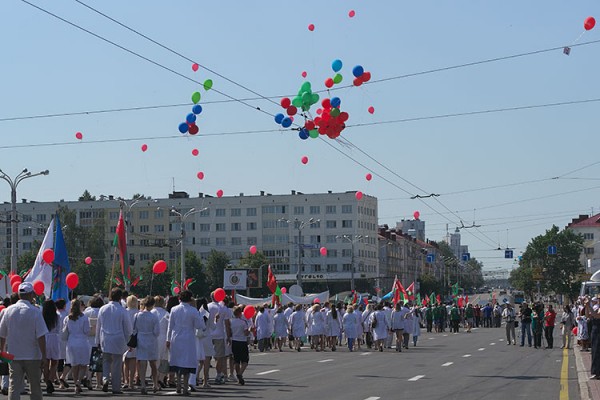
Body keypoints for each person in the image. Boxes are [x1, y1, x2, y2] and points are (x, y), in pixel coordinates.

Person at [0, 282, 49, 400]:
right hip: (32, 356)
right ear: (31, 294)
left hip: (13, 355)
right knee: (35, 387)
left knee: (14, 387)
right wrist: (44, 355)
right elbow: (41, 336)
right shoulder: (35, 312)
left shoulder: (8, 311)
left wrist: (2, 351)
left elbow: (2, 335)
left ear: (18, 294)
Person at [167, 290, 205, 395]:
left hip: (176, 337)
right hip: (188, 338)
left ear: (180, 298)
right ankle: (185, 387)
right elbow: (199, 326)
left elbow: (170, 326)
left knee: (177, 361)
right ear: (190, 299)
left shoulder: (174, 309)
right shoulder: (193, 311)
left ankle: (178, 384)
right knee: (187, 362)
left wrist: (168, 339)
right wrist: (201, 319)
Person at [96, 287, 133, 395]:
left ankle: (105, 378)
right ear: (120, 297)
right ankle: (116, 387)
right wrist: (129, 341)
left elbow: (99, 326)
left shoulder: (103, 309)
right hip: (118, 338)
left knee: (106, 360)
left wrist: (97, 341)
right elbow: (128, 328)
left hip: (105, 338)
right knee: (117, 363)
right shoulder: (122, 310)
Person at [62, 299, 91, 394]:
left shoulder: (67, 318)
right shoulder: (84, 318)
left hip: (71, 342)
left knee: (74, 365)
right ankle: (79, 381)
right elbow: (87, 331)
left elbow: (65, 331)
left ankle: (75, 384)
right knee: (83, 365)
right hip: (82, 342)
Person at [136, 296, 160, 394]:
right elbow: (157, 332)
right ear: (152, 305)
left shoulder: (137, 315)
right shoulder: (154, 316)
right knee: (153, 364)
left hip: (140, 339)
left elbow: (134, 329)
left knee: (142, 363)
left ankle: (143, 385)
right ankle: (155, 384)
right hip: (151, 340)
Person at [83, 295, 104, 390]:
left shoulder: (86, 312)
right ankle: (99, 383)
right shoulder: (101, 312)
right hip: (98, 340)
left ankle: (88, 378)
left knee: (88, 362)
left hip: (87, 340)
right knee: (98, 362)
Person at [227, 306, 250, 385]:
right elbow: (246, 333)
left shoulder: (231, 321)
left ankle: (239, 377)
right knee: (245, 361)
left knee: (236, 360)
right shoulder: (243, 322)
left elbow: (229, 331)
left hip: (234, 341)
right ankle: (240, 373)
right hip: (242, 342)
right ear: (240, 313)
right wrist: (250, 330)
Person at [42, 300, 60, 394]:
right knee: (54, 362)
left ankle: (46, 380)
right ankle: (50, 379)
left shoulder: (42, 316)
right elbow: (59, 329)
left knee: (46, 362)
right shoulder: (57, 316)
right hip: (54, 338)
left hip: (45, 338)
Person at [150, 296, 169, 389]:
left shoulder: (151, 313)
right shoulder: (166, 313)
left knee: (155, 361)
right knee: (164, 360)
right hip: (164, 338)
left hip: (153, 338)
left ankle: (156, 379)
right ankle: (160, 378)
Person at [123, 295, 139, 390]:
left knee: (125, 360)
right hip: (134, 338)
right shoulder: (138, 313)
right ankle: (131, 382)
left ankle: (125, 380)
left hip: (125, 337)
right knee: (133, 360)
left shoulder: (125, 312)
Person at [585, 296, 600, 379]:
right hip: (594, 329)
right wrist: (587, 306)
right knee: (594, 351)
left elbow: (597, 315)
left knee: (597, 351)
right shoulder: (595, 307)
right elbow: (588, 315)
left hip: (598, 330)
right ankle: (595, 371)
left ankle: (597, 372)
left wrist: (589, 306)